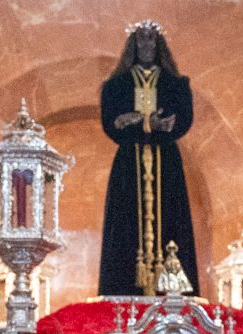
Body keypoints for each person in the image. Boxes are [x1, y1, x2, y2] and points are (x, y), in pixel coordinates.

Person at [98, 21, 198, 297]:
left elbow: (182, 119)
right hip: (129, 162)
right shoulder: (116, 85)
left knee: (171, 219)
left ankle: (172, 291)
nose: (145, 45)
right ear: (132, 45)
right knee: (125, 225)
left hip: (165, 160)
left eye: (151, 40)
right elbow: (110, 122)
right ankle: (124, 289)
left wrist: (137, 121)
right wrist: (145, 123)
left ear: (159, 45)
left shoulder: (175, 84)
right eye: (140, 40)